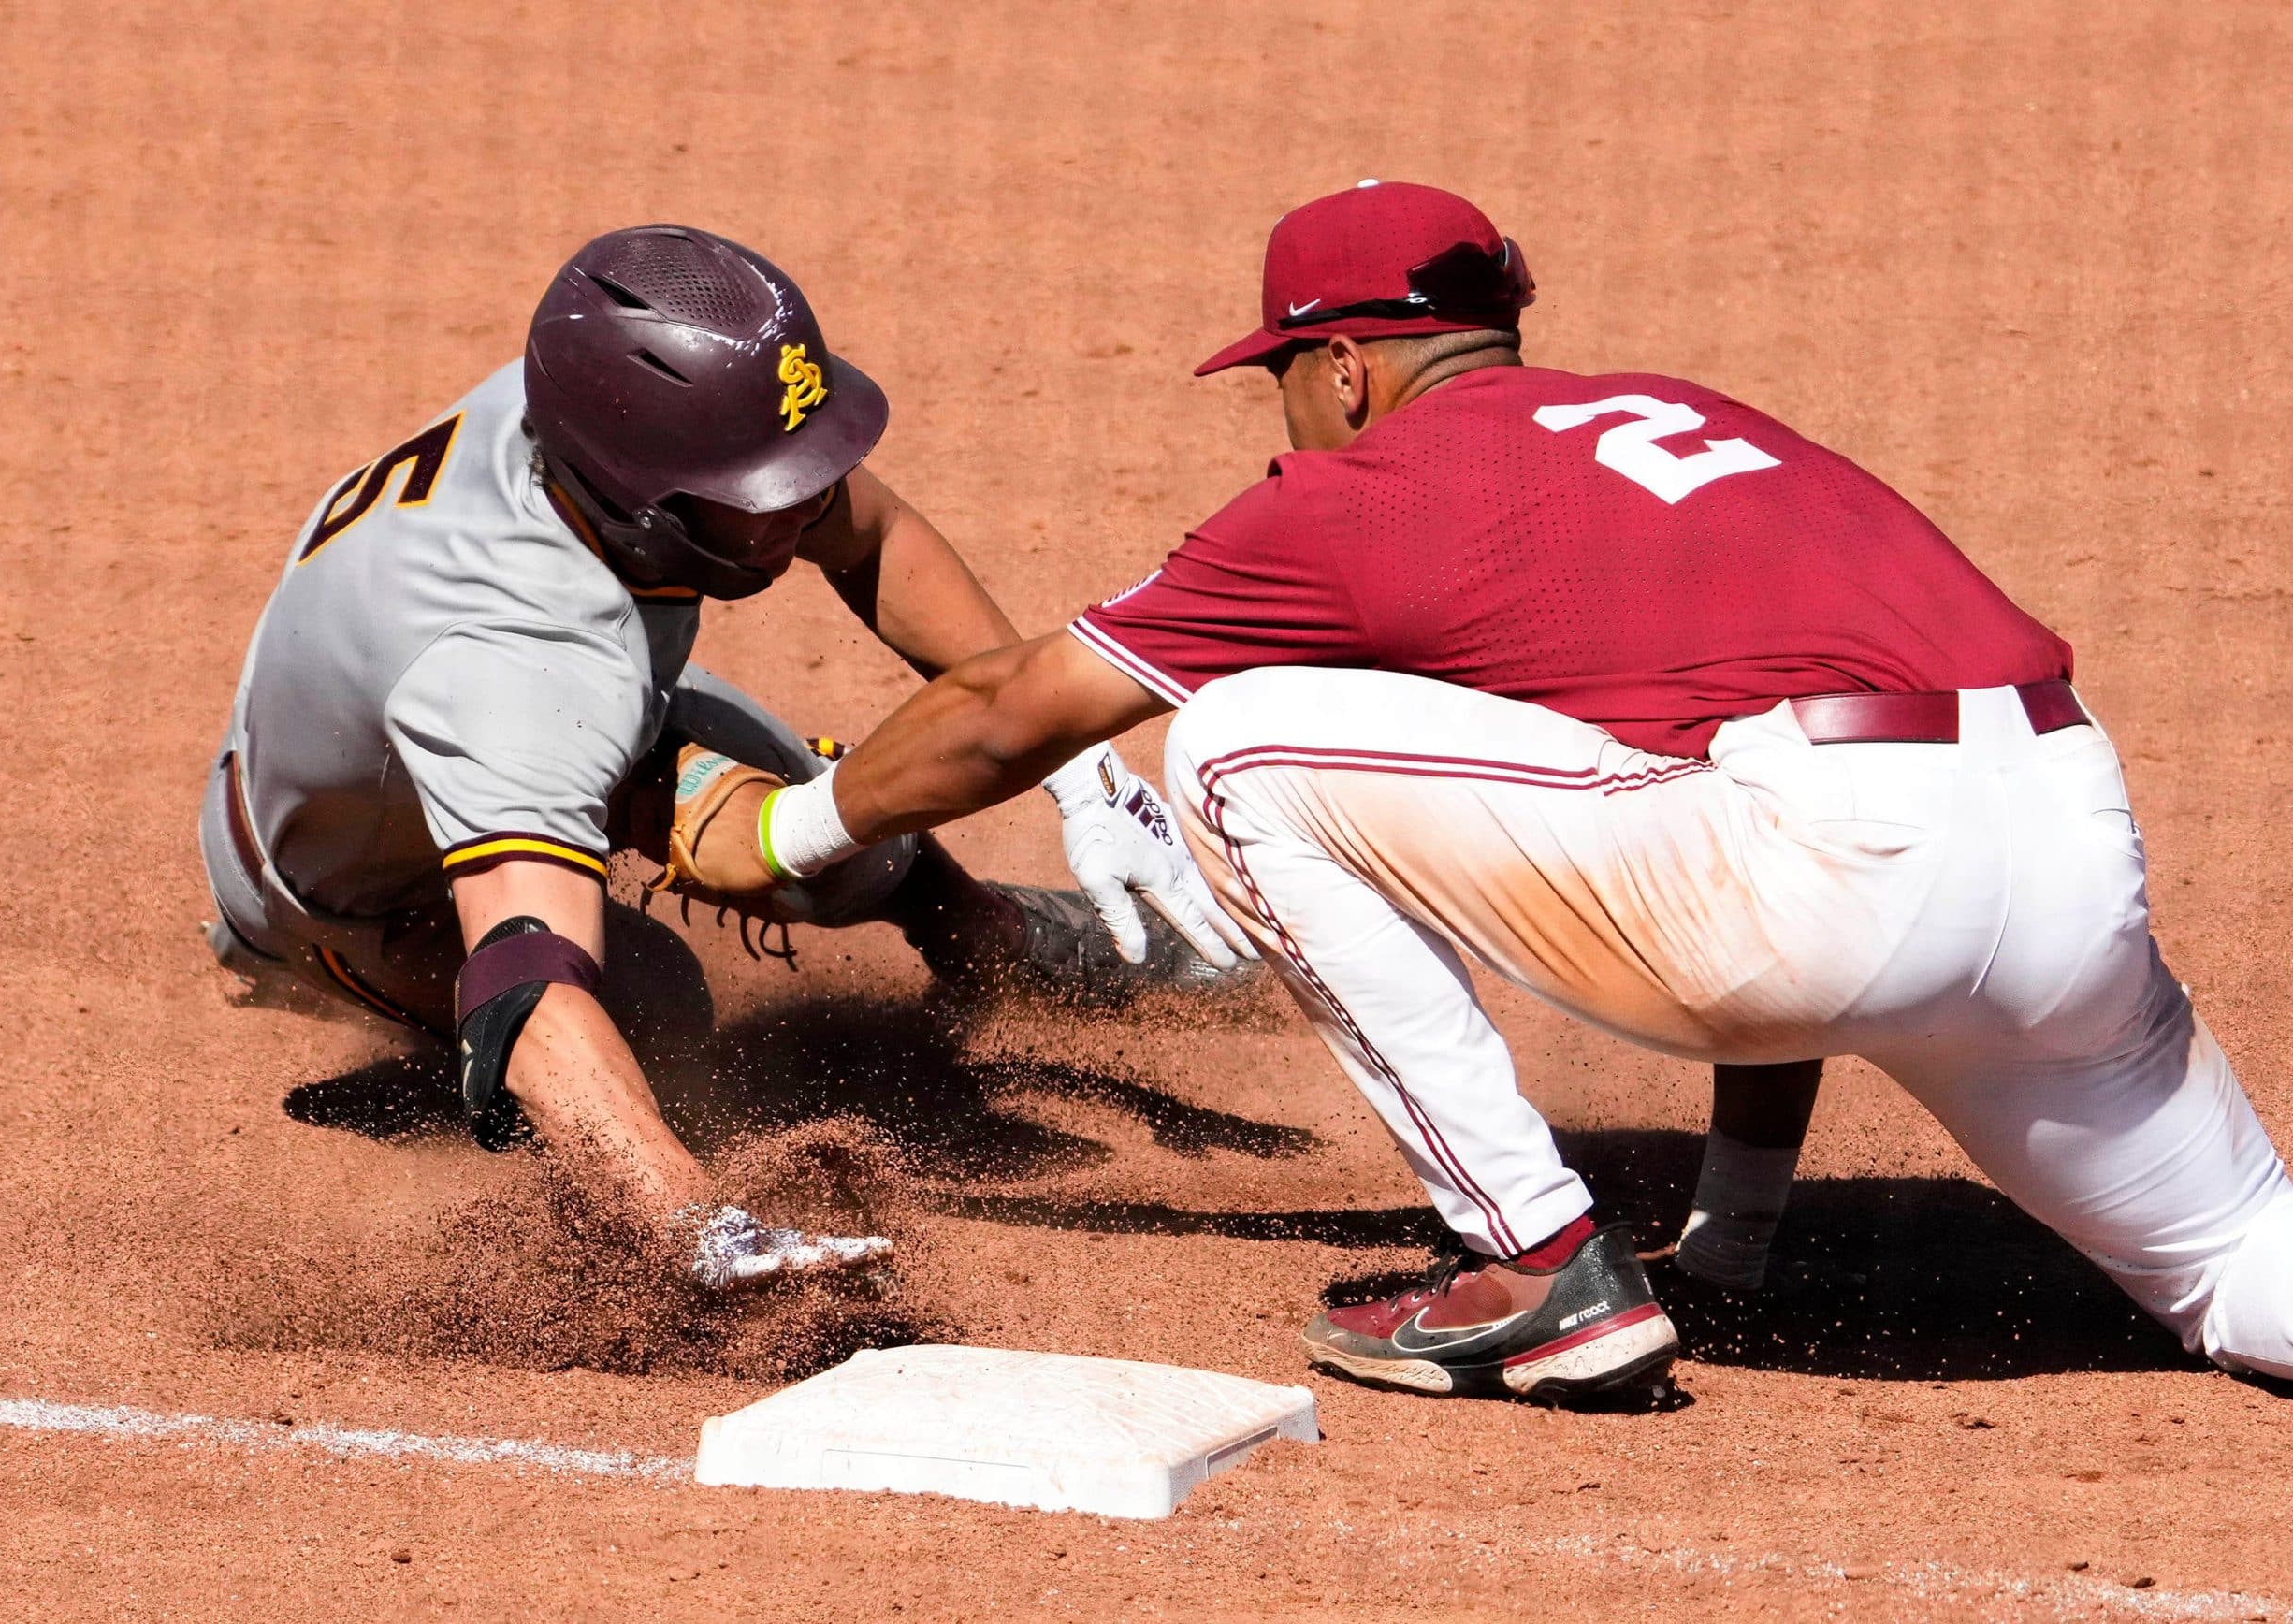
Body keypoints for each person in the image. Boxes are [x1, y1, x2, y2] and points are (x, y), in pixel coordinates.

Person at [680, 181, 2293, 1399]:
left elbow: (1017, 702)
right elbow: (1751, 740)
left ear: (1345, 370)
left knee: (1242, 747)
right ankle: (1690, 1252)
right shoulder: (1703, 430)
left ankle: (1536, 1262)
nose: (1290, 422)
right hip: (2073, 855)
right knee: (2246, 1275)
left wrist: (784, 828)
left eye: (1284, 383)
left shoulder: (1363, 492)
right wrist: (1735, 1231)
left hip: (1826, 870)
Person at [199, 224, 1244, 1292]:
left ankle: (996, 941)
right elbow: (522, 978)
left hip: (554, 709)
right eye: (764, 491)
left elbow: (872, 534)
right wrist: (696, 1222)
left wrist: (1072, 760)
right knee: (662, 1007)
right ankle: (479, 1097)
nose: (803, 503)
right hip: (357, 888)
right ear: (640, 502)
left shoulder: (597, 419)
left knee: (829, 830)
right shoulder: (508, 670)